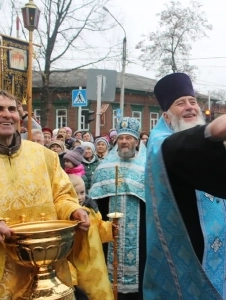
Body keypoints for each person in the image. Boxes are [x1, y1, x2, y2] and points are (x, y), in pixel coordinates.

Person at [144, 73, 226, 300]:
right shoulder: (160, 142)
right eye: (180, 103)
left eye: (192, 102)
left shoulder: (213, 144)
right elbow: (178, 149)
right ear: (166, 115)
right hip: (192, 253)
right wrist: (210, 132)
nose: (189, 107)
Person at [0, 90, 90, 298]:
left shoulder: (44, 155)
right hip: (5, 269)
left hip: (50, 265)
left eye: (12, 109)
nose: (7, 114)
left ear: (19, 118)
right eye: (0, 109)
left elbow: (62, 195)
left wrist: (73, 210)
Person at [90, 117, 146, 300]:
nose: (124, 141)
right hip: (110, 231)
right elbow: (95, 200)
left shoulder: (146, 167)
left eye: (128, 138)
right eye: (121, 138)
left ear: (136, 142)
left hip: (140, 233)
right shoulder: (104, 166)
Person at [68, 174, 114, 300]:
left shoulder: (92, 210)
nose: (79, 197)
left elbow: (99, 228)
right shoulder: (67, 217)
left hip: (98, 265)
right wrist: (71, 278)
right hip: (81, 270)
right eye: (74, 193)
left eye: (82, 192)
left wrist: (111, 228)